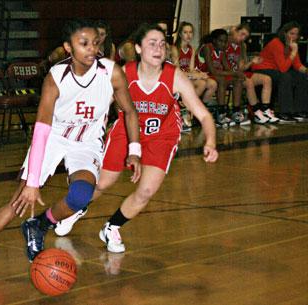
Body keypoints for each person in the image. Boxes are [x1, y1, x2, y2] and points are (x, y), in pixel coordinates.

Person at [0, 19, 141, 284]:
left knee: (81, 195)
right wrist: (32, 183)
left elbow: (130, 111)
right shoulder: (56, 77)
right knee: (19, 200)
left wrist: (134, 149)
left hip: (86, 141)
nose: (92, 49)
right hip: (53, 138)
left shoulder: (111, 72)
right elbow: (41, 129)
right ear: (68, 47)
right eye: (83, 43)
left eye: (96, 43)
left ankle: (40, 224)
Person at [54, 23, 218, 253]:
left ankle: (111, 227)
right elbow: (99, 105)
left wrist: (210, 141)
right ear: (139, 48)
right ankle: (77, 209)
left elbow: (203, 114)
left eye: (162, 44)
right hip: (126, 131)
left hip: (162, 136)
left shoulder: (174, 77)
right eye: (152, 43)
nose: (158, 48)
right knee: (103, 182)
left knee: (146, 191)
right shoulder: (125, 73)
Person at [252, 21, 308, 123]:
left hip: (276, 69)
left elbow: (298, 65)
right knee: (285, 77)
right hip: (263, 68)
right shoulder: (276, 43)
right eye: (291, 33)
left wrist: (306, 71)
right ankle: (285, 112)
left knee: (302, 76)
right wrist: (294, 52)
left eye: (296, 34)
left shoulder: (292, 45)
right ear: (284, 33)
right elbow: (283, 68)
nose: (294, 36)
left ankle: (300, 110)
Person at [227, 24, 279, 124]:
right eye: (241, 34)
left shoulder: (242, 45)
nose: (242, 38)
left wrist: (252, 61)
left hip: (240, 73)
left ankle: (265, 110)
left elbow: (242, 68)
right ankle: (256, 112)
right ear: (235, 31)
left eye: (245, 37)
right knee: (249, 82)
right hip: (228, 74)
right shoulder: (224, 42)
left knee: (267, 79)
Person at [196, 29, 248, 127]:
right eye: (221, 41)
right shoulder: (207, 47)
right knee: (222, 80)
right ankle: (221, 112)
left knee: (238, 80)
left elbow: (227, 67)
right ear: (214, 40)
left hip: (218, 75)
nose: (223, 44)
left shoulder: (222, 50)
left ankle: (235, 111)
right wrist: (233, 72)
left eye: (225, 42)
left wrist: (236, 73)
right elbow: (212, 70)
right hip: (205, 74)